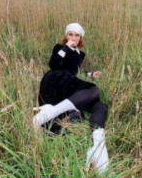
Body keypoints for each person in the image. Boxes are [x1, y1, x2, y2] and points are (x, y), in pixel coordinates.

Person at [33, 23, 109, 173]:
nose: (73, 37)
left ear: (81, 38)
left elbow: (75, 72)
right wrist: (65, 47)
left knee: (100, 106)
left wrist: (91, 75)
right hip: (56, 79)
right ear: (66, 36)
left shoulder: (81, 54)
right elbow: (54, 64)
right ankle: (50, 113)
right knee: (93, 90)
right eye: (70, 34)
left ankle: (97, 147)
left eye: (76, 35)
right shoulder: (59, 48)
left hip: (70, 82)